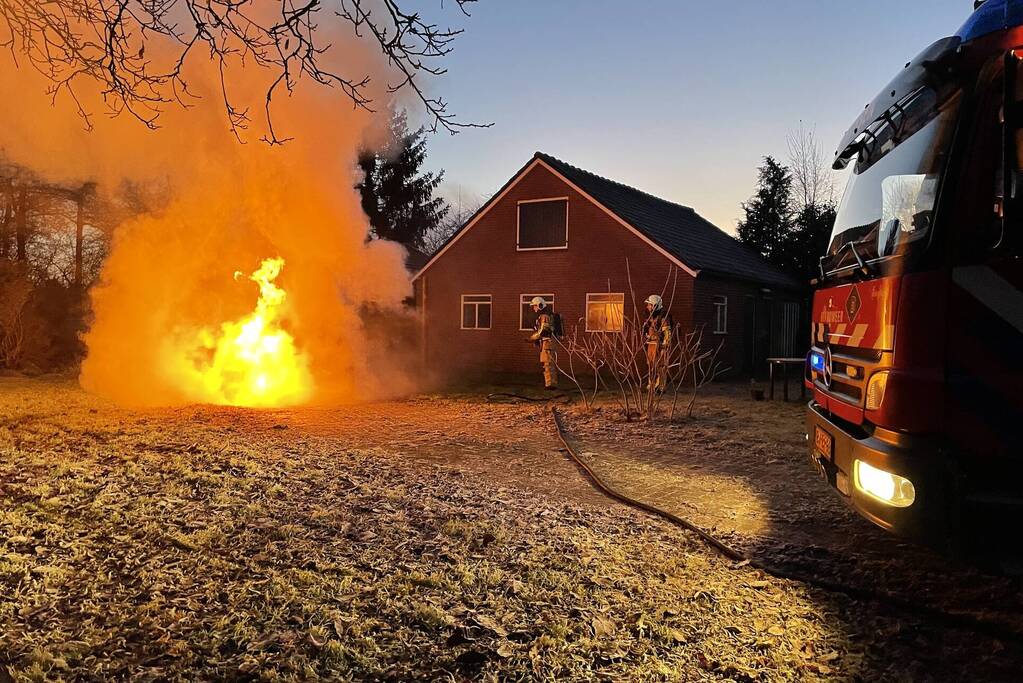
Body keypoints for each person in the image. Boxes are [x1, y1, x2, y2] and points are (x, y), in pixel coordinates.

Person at [643, 294, 673, 393]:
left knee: (660, 366)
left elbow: (667, 333)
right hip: (651, 344)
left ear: (655, 305)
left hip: (659, 345)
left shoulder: (663, 317)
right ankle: (651, 385)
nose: (648, 307)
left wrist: (665, 345)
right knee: (651, 365)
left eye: (649, 305)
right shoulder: (650, 317)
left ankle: (660, 387)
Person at [527, 296, 558, 389]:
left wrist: (532, 338)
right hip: (546, 342)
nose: (534, 308)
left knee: (548, 363)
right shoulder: (545, 315)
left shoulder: (545, 316)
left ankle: (550, 385)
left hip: (548, 342)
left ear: (540, 305)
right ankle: (549, 383)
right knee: (547, 363)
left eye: (535, 306)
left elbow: (543, 331)